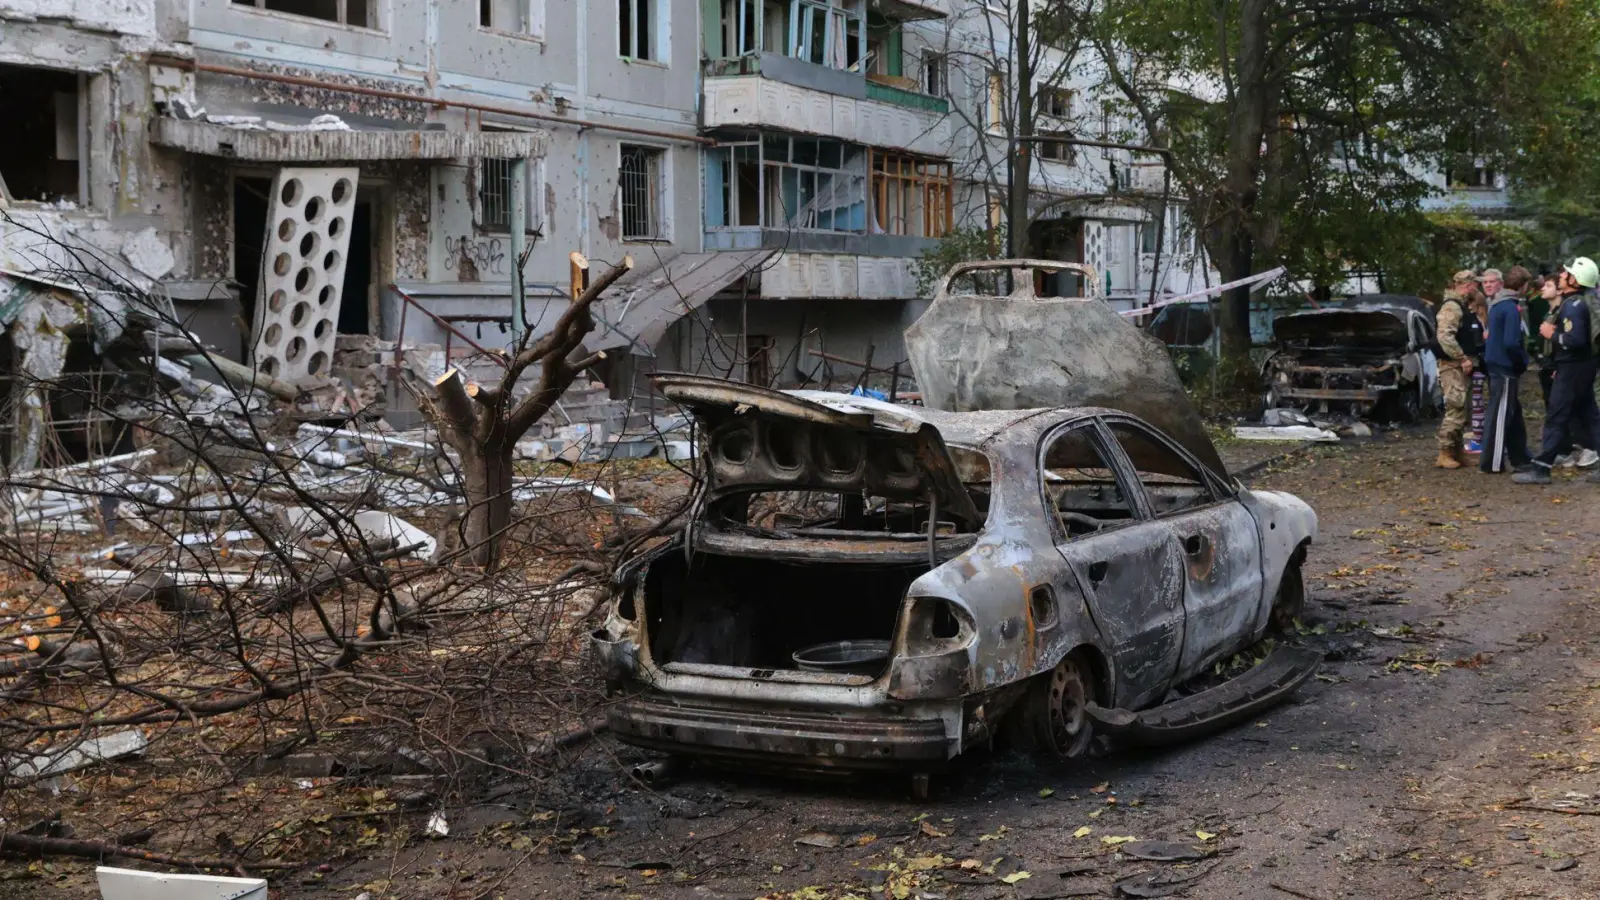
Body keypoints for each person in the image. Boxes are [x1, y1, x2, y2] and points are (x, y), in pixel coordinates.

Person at [1514, 257, 1600, 484]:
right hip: (1581, 367)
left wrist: (1551, 334)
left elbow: (1575, 341)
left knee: (1556, 415)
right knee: (1590, 416)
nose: (1561, 275)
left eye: (1566, 274)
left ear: (1575, 280)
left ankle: (1541, 468)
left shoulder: (1573, 306)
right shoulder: (1581, 302)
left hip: (1573, 368)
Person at [1480, 267, 1532, 473]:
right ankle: (1491, 462)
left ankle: (1520, 456)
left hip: (1496, 364)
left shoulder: (1497, 305)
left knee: (1512, 413)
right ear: (1523, 286)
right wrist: (1521, 361)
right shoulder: (1510, 307)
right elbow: (1511, 342)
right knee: (1499, 416)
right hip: (1504, 367)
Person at [1434, 271, 1486, 468]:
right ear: (1467, 285)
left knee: (1463, 409)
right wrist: (1462, 357)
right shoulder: (1452, 307)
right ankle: (1445, 452)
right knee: (1455, 407)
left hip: (1462, 366)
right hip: (1453, 366)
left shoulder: (1461, 306)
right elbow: (1445, 336)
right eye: (1475, 285)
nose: (1477, 288)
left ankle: (1457, 452)